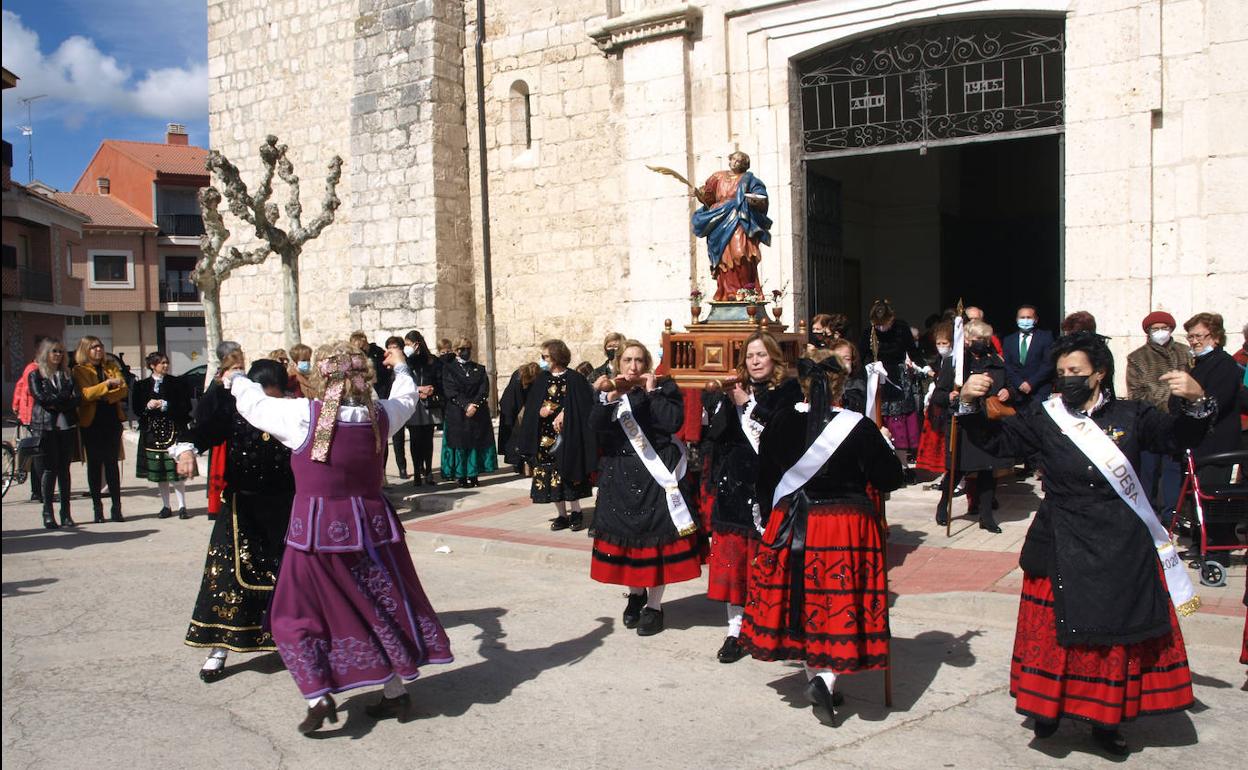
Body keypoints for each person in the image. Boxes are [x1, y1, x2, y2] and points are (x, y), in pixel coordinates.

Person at [957, 331, 1211, 755]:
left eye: (1075, 371)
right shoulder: (1045, 415)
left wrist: (1196, 400)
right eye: (1060, 373)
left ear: (1100, 374)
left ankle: (1106, 722)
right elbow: (997, 442)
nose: (1067, 379)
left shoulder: (1133, 416)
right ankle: (1046, 708)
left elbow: (1177, 438)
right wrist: (968, 404)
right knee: (1055, 637)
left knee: (1112, 638)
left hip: (1119, 544)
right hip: (1060, 537)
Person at [181, 341, 453, 733]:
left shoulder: (304, 417)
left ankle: (318, 695)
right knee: (372, 609)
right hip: (374, 531)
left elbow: (255, 405)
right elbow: (406, 398)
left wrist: (237, 377)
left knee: (290, 615)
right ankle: (395, 693)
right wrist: (403, 367)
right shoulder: (378, 416)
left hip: (317, 533)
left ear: (320, 378)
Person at [740, 354, 904, 725]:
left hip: (794, 519)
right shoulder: (859, 426)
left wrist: (769, 520)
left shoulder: (780, 421)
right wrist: (885, 444)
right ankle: (826, 681)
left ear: (802, 386)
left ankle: (820, 679)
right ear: (840, 387)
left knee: (804, 603)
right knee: (837, 602)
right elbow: (889, 479)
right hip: (844, 524)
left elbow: (765, 477)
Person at [174, 359, 296, 682]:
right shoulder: (236, 410)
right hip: (242, 508)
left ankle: (292, 642)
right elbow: (202, 431)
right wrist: (186, 450)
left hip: (287, 510)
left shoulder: (293, 411)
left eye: (274, 397)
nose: (267, 404)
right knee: (226, 580)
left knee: (288, 580)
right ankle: (219, 649)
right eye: (263, 396)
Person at [590, 340, 702, 636]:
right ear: (619, 364)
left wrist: (651, 393)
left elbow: (671, 421)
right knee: (628, 541)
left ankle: (654, 606)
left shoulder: (664, 388)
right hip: (621, 475)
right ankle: (635, 594)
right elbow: (595, 428)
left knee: (655, 543)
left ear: (648, 363)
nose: (633, 366)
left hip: (656, 477)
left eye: (639, 360)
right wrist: (609, 398)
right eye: (627, 360)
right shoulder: (611, 391)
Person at [702, 331, 798, 663]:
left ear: (774, 357)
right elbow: (716, 437)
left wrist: (749, 406)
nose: (755, 361)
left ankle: (769, 625)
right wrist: (720, 404)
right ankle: (735, 629)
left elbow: (785, 436)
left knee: (765, 564)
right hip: (734, 487)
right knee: (735, 567)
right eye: (749, 356)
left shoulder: (789, 391)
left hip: (769, 489)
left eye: (761, 355)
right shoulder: (736, 390)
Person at [931, 319, 1011, 533]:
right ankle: (943, 505)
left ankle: (986, 516)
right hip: (962, 423)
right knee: (957, 470)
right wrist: (950, 395)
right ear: (966, 340)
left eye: (985, 340)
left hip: (987, 423)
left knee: (988, 469)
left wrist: (1008, 392)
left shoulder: (996, 362)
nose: (981, 343)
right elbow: (937, 396)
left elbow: (1009, 385)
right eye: (977, 339)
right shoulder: (955, 364)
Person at [515, 339, 597, 531]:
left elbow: (584, 406)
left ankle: (576, 511)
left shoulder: (575, 379)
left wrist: (565, 413)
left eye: (546, 357)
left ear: (556, 357)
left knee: (569, 472)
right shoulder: (542, 379)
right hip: (546, 438)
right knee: (551, 473)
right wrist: (540, 411)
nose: (543, 360)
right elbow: (533, 405)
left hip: (569, 437)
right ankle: (562, 514)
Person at [1179, 313, 1242, 543]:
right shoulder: (1200, 364)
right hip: (1198, 443)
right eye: (1191, 337)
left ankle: (1218, 546)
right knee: (1198, 499)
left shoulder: (1223, 364)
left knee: (1213, 499)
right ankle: (1201, 543)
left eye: (1199, 336)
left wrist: (1192, 399)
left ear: (1215, 337)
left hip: (1217, 444)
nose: (1194, 341)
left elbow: (1217, 402)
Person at [1127, 311, 1190, 516]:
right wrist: (1166, 403)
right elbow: (1136, 393)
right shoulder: (1137, 357)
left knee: (1173, 469)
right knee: (1149, 469)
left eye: (1165, 328)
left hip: (1178, 421)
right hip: (1150, 420)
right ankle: (1148, 511)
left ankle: (1172, 513)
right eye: (1156, 329)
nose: (1160, 332)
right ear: (1148, 331)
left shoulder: (1185, 353)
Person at [692, 151, 772, 301]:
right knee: (723, 258)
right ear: (729, 161)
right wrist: (700, 194)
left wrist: (755, 200)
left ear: (746, 164)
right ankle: (727, 293)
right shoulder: (718, 177)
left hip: (740, 217)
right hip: (718, 220)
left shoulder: (750, 179)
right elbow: (707, 197)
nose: (736, 162)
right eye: (734, 159)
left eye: (740, 160)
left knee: (740, 253)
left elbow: (761, 197)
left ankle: (745, 292)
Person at [859, 300, 920, 476]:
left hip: (897, 378)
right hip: (876, 378)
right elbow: (861, 355)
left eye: (885, 324)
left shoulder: (901, 328)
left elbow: (912, 351)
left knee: (898, 421)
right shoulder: (868, 332)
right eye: (878, 325)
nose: (882, 329)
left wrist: (925, 367)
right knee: (878, 418)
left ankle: (902, 466)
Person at [72, 335, 128, 523]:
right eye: (94, 347)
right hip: (91, 422)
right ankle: (97, 508)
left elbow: (123, 388)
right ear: (85, 350)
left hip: (111, 420)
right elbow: (85, 394)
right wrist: (106, 385)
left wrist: (104, 395)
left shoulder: (111, 366)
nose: (98, 350)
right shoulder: (79, 370)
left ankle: (116, 508)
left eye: (100, 346)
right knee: (94, 465)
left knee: (112, 464)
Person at [132, 351, 193, 519]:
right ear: (152, 365)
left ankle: (182, 506)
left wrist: (166, 404)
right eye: (162, 363)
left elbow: (186, 406)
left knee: (175, 472)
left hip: (173, 430)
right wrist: (148, 406)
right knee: (160, 472)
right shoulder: (142, 385)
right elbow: (136, 409)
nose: (165, 366)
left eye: (166, 362)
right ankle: (166, 506)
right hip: (152, 434)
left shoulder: (177, 383)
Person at [27, 338, 81, 529]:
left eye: (61, 352)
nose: (58, 355)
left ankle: (66, 513)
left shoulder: (67, 375)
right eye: (54, 351)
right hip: (46, 427)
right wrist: (61, 400)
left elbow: (76, 398)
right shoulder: (36, 375)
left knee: (64, 471)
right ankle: (48, 513)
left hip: (66, 427)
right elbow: (41, 398)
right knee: (49, 470)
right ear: (46, 354)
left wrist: (58, 401)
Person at [441, 337, 497, 487]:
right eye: (461, 349)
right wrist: (466, 405)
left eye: (467, 349)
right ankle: (461, 476)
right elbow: (450, 390)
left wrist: (475, 405)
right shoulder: (449, 369)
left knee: (475, 443)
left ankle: (473, 475)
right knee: (460, 444)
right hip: (457, 413)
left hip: (477, 412)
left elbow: (484, 389)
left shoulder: (479, 368)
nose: (465, 352)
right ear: (455, 351)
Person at [205, 343, 245, 519]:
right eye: (235, 368)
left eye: (241, 368)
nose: (239, 371)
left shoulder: (247, 387)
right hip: (224, 440)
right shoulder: (216, 389)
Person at [397, 330, 440, 486]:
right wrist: (418, 389)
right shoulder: (406, 361)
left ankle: (428, 471)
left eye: (409, 344)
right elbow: (401, 379)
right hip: (414, 404)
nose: (407, 347)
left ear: (417, 343)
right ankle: (417, 471)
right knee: (415, 439)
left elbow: (439, 379)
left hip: (429, 404)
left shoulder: (431, 360)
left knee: (427, 439)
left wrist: (432, 390)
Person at [915, 322, 954, 482]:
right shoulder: (940, 360)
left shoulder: (955, 360)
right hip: (938, 404)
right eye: (938, 343)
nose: (941, 347)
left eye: (944, 343)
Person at [11, 335, 47, 502]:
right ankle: (38, 491)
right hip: (35, 416)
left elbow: (19, 386)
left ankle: (38, 490)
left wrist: (16, 406)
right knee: (38, 454)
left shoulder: (32, 367)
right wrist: (20, 409)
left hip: (31, 415)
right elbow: (26, 390)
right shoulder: (34, 369)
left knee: (36, 453)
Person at [1002, 305, 1055, 410]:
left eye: (1029, 317)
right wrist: (1019, 383)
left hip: (1039, 391)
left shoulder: (1046, 337)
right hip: (1017, 392)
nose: (1025, 320)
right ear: (1017, 319)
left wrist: (1031, 383)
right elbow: (1007, 365)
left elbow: (1048, 364)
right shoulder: (1009, 340)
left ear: (1035, 320)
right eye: (1022, 317)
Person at [498, 362, 540, 474]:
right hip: (512, 412)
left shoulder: (524, 377)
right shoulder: (518, 379)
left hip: (516, 410)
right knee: (515, 438)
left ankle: (521, 464)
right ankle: (520, 464)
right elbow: (516, 401)